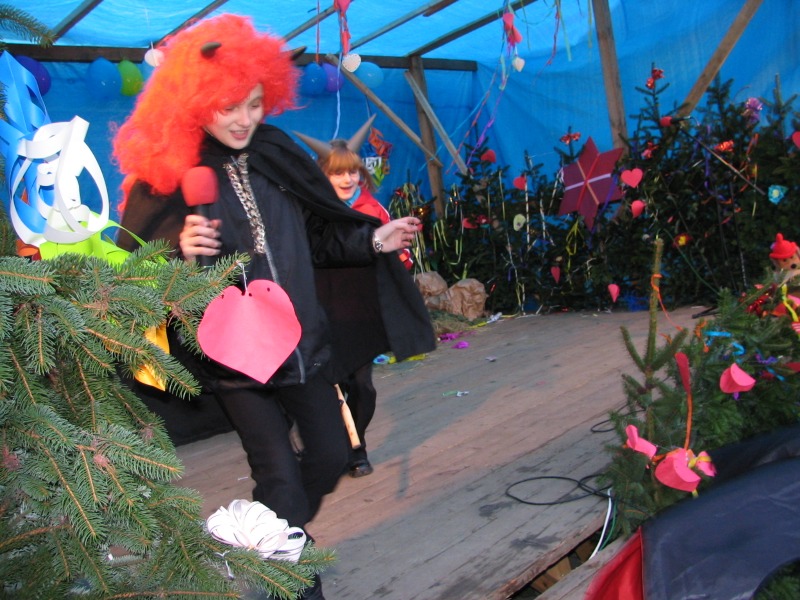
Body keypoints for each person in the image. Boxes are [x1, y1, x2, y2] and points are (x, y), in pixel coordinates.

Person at [112, 14, 436, 599]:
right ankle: (295, 578)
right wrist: (178, 249)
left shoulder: (277, 152)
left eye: (255, 104)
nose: (243, 119)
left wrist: (372, 240)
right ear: (198, 102)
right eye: (228, 106)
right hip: (234, 359)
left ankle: (274, 539)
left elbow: (320, 238)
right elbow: (136, 265)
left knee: (331, 455)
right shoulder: (174, 171)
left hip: (303, 344)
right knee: (278, 476)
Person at [295, 121, 411, 478]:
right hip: (317, 314)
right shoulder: (308, 213)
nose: (347, 179)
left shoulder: (374, 211)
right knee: (323, 390)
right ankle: (336, 450)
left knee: (362, 388)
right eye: (337, 173)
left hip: (359, 314)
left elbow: (398, 260)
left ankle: (355, 445)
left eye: (352, 172)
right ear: (322, 175)